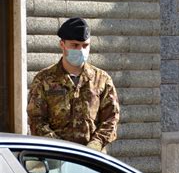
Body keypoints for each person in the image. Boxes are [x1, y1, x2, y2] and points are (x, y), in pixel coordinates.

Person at [27, 17, 120, 152]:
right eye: (75, 45)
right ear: (62, 44)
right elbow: (36, 120)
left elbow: (111, 118)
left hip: (93, 159)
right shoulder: (44, 79)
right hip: (55, 156)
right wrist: (62, 148)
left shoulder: (102, 79)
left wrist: (96, 144)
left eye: (85, 45)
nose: (81, 50)